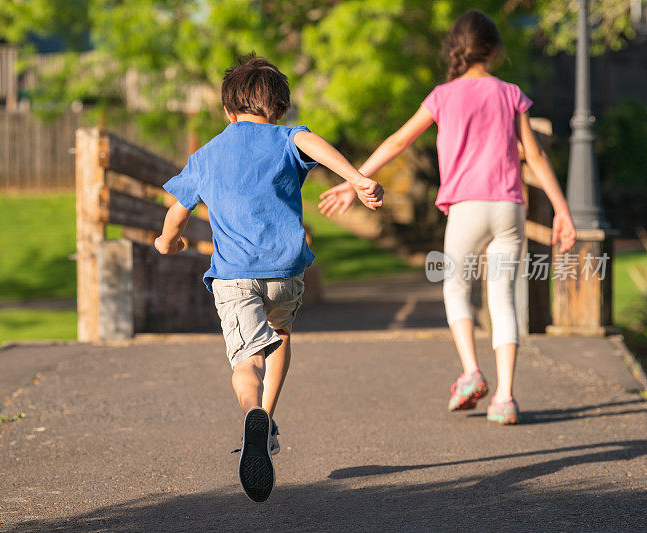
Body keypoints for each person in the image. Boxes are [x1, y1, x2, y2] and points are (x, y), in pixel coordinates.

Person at [318, 10, 576, 425]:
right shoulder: (510, 93)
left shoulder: (442, 96)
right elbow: (537, 155)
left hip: (467, 208)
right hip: (509, 207)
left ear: (456, 49)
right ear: (494, 51)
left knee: (456, 289)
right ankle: (506, 398)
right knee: (502, 298)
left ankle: (472, 373)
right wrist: (562, 209)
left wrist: (354, 180)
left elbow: (400, 140)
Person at [154, 53, 383, 501]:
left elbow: (177, 213)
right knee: (278, 332)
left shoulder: (206, 154)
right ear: (278, 109)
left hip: (235, 276)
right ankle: (268, 425)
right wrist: (356, 178)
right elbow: (312, 142)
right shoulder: (287, 138)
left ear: (227, 109)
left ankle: (252, 416)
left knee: (246, 361)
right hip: (285, 271)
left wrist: (167, 242)